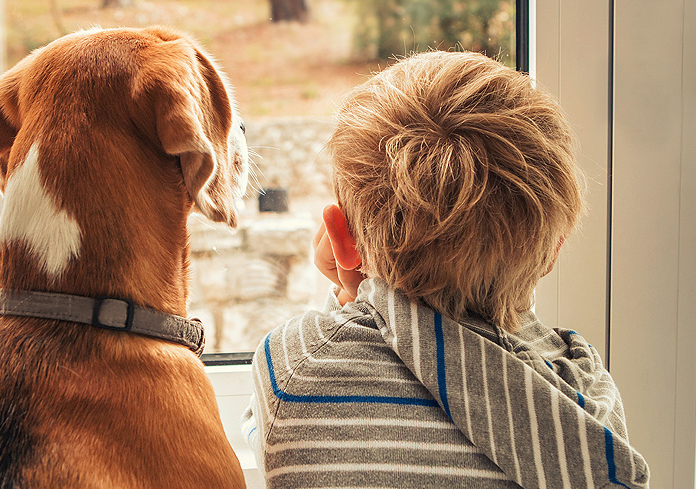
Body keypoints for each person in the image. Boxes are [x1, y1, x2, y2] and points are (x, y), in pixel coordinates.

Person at [242, 51, 649, 488]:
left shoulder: (297, 366)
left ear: (341, 239)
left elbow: (260, 433)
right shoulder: (585, 395)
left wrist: (351, 296)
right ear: (554, 250)